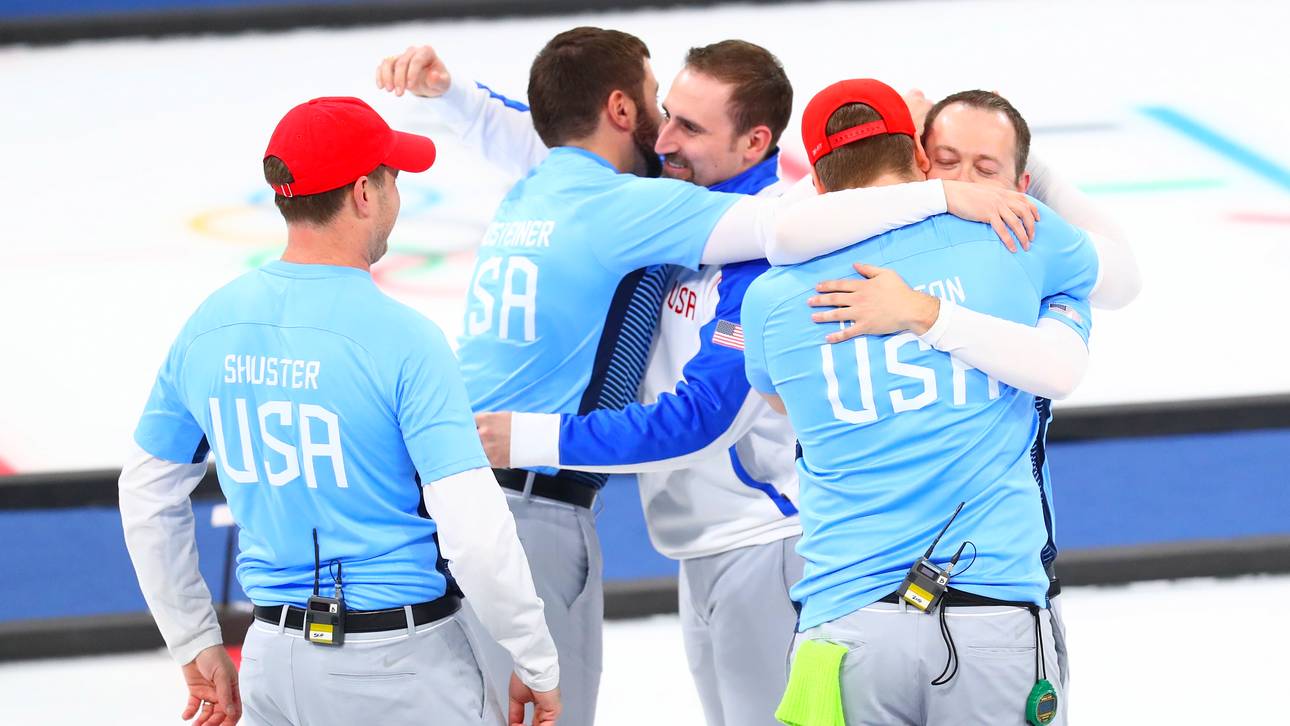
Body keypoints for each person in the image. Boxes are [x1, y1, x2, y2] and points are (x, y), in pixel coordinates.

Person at [377, 28, 1040, 726]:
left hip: (768, 544)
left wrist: (940, 192)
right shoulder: (663, 198)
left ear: (754, 144)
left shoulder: (767, 253)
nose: (664, 139)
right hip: (702, 548)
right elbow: (566, 156)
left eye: (688, 125)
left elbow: (703, 421)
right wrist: (453, 96)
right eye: (665, 113)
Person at [118, 96, 560, 726]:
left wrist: (193, 638)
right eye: (393, 178)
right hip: (402, 666)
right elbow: (474, 531)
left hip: (273, 661)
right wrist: (535, 657)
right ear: (363, 193)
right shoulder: (405, 338)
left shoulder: (208, 325)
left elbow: (145, 493)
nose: (397, 196)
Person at [742, 79, 1098, 725]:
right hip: (993, 616)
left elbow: (779, 401)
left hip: (844, 628)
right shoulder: (1014, 236)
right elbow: (1108, 271)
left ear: (816, 182)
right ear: (920, 154)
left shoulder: (769, 301)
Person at [805, 89, 1143, 691]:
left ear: (1022, 184)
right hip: (883, 592)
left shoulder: (1030, 247)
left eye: (988, 170)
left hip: (984, 586)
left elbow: (1077, 344)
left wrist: (924, 314)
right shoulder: (834, 244)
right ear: (916, 158)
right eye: (947, 160)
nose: (969, 184)